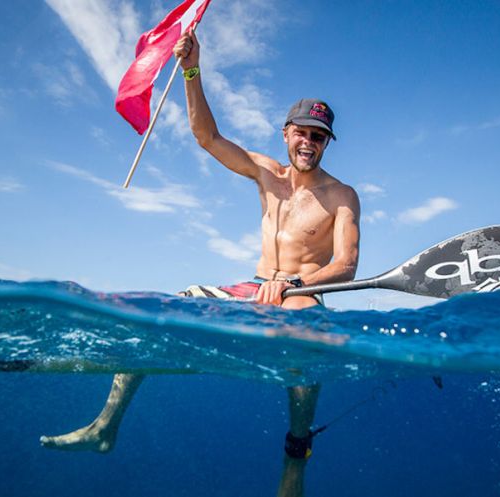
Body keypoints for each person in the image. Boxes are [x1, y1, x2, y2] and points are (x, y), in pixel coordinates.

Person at [41, 31, 360, 497]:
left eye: (319, 136)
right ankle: (104, 427)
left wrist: (294, 280)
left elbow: (348, 264)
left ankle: (295, 466)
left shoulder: (342, 196)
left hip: (302, 298)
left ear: (326, 142)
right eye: (302, 133)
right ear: (286, 133)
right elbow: (206, 136)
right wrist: (192, 70)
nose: (309, 142)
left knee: (304, 373)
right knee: (161, 315)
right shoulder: (266, 174)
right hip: (252, 289)